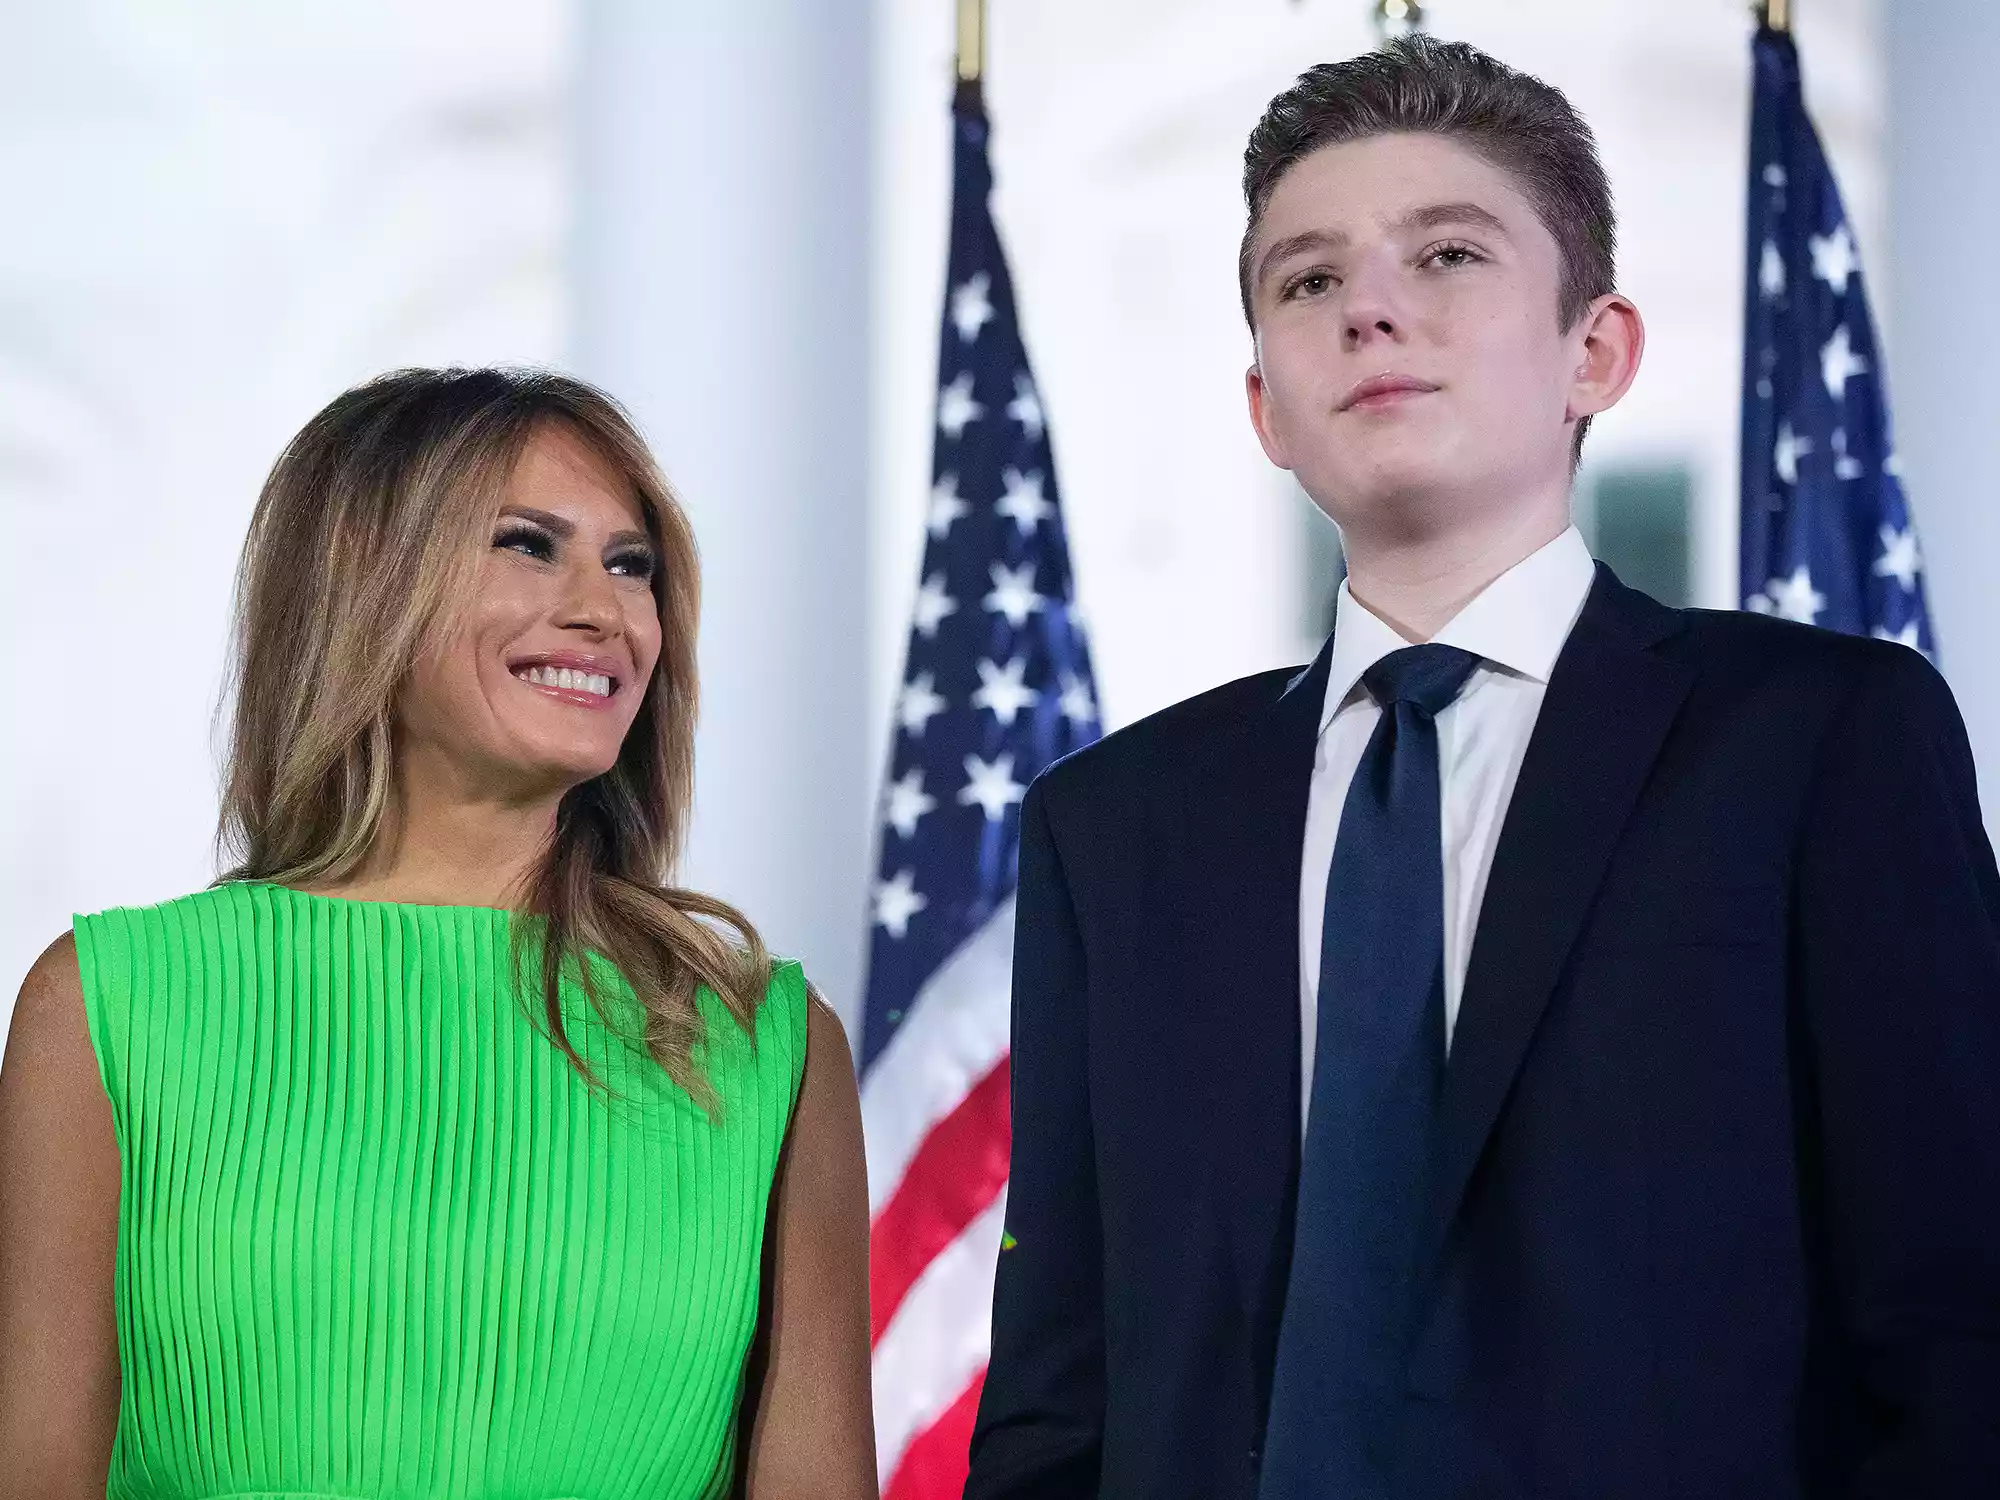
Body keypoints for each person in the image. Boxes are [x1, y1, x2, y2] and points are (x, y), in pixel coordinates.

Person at [967, 36, 2000, 1500]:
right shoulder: (1114, 825)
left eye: (1446, 255)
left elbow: (1957, 1327)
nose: (1370, 308)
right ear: (1265, 404)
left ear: (1597, 352)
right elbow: (1061, 1385)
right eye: (1309, 281)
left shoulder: (1824, 740)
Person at [0, 369, 878, 1499]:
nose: (603, 611)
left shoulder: (765, 1043)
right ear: (361, 579)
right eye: (527, 544)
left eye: (630, 565)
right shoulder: (108, 1008)